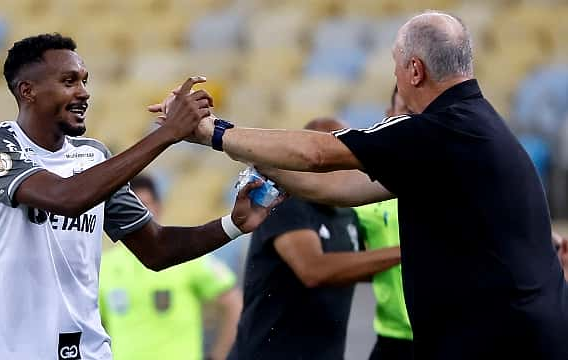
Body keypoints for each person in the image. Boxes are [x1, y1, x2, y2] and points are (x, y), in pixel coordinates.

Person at [151, 10, 568, 360]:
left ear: (414, 70)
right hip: (514, 330)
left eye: (395, 65)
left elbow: (318, 154)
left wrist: (212, 133)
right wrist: (257, 159)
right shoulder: (470, 126)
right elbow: (341, 187)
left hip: (499, 339)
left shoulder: (438, 129)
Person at [0, 33, 278, 360]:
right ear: (28, 91)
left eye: (85, 81)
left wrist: (233, 223)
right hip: (8, 352)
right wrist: (167, 134)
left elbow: (157, 249)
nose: (83, 93)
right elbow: (66, 197)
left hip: (88, 352)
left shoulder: (93, 158)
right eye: (69, 81)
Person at [227, 118, 401, 360]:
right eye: (338, 152)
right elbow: (313, 270)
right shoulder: (284, 203)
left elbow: (362, 266)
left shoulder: (347, 212)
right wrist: (404, 252)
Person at [99, 174, 243, 360]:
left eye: (146, 204)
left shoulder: (185, 256)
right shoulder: (105, 265)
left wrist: (219, 356)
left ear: (159, 207)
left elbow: (234, 303)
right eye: (133, 206)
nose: (139, 212)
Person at [355, 87, 413, 360]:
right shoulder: (362, 193)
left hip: (455, 335)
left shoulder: (462, 179)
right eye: (405, 111)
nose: (411, 121)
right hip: (394, 339)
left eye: (417, 114)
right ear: (389, 116)